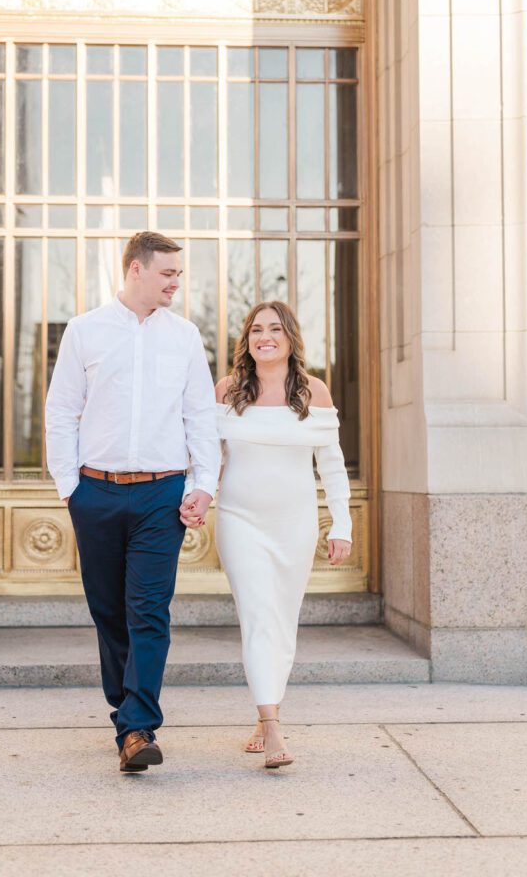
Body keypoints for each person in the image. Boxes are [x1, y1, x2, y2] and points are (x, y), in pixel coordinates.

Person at [46, 231, 220, 772]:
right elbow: (60, 413)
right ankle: (127, 717)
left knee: (149, 610)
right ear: (135, 270)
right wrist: (70, 490)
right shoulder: (84, 331)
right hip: (94, 491)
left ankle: (139, 726)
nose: (175, 283)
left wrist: (203, 483)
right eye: (167, 273)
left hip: (161, 494)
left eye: (178, 275)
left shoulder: (186, 337)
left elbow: (199, 415)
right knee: (109, 612)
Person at [181, 301, 352, 769]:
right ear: (247, 340)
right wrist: (197, 495)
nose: (265, 337)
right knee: (257, 615)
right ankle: (273, 728)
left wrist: (342, 524)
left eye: (275, 329)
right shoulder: (228, 390)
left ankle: (265, 710)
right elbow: (206, 457)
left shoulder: (312, 391)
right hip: (240, 520)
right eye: (257, 330)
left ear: (291, 337)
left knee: (283, 620)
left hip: (295, 524)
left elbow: (332, 466)